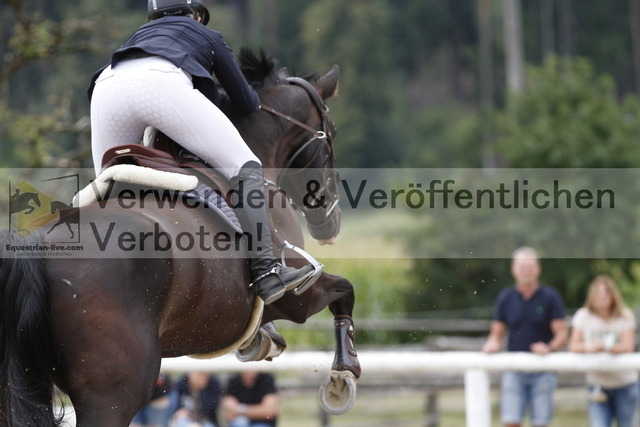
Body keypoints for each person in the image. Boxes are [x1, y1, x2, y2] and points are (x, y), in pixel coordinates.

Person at [87, 0, 315, 304]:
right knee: (246, 164)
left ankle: (89, 266)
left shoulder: (137, 37)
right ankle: (266, 270)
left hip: (106, 87)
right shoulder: (207, 35)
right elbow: (246, 103)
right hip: (159, 82)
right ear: (195, 15)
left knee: (105, 185)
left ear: (153, 18)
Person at [482, 247, 568, 427]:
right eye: (522, 267)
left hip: (543, 368)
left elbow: (562, 334)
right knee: (511, 421)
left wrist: (549, 347)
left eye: (530, 267)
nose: (526, 271)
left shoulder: (550, 297)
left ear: (538, 269)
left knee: (540, 423)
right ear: (513, 270)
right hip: (514, 368)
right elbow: (496, 333)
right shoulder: (506, 298)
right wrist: (492, 344)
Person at [569, 275, 639, 427]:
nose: (602, 295)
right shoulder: (583, 315)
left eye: (606, 291)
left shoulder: (625, 315)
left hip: (625, 383)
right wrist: (589, 346)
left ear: (613, 294)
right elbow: (573, 346)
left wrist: (607, 347)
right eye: (598, 291)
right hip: (597, 384)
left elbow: (628, 346)